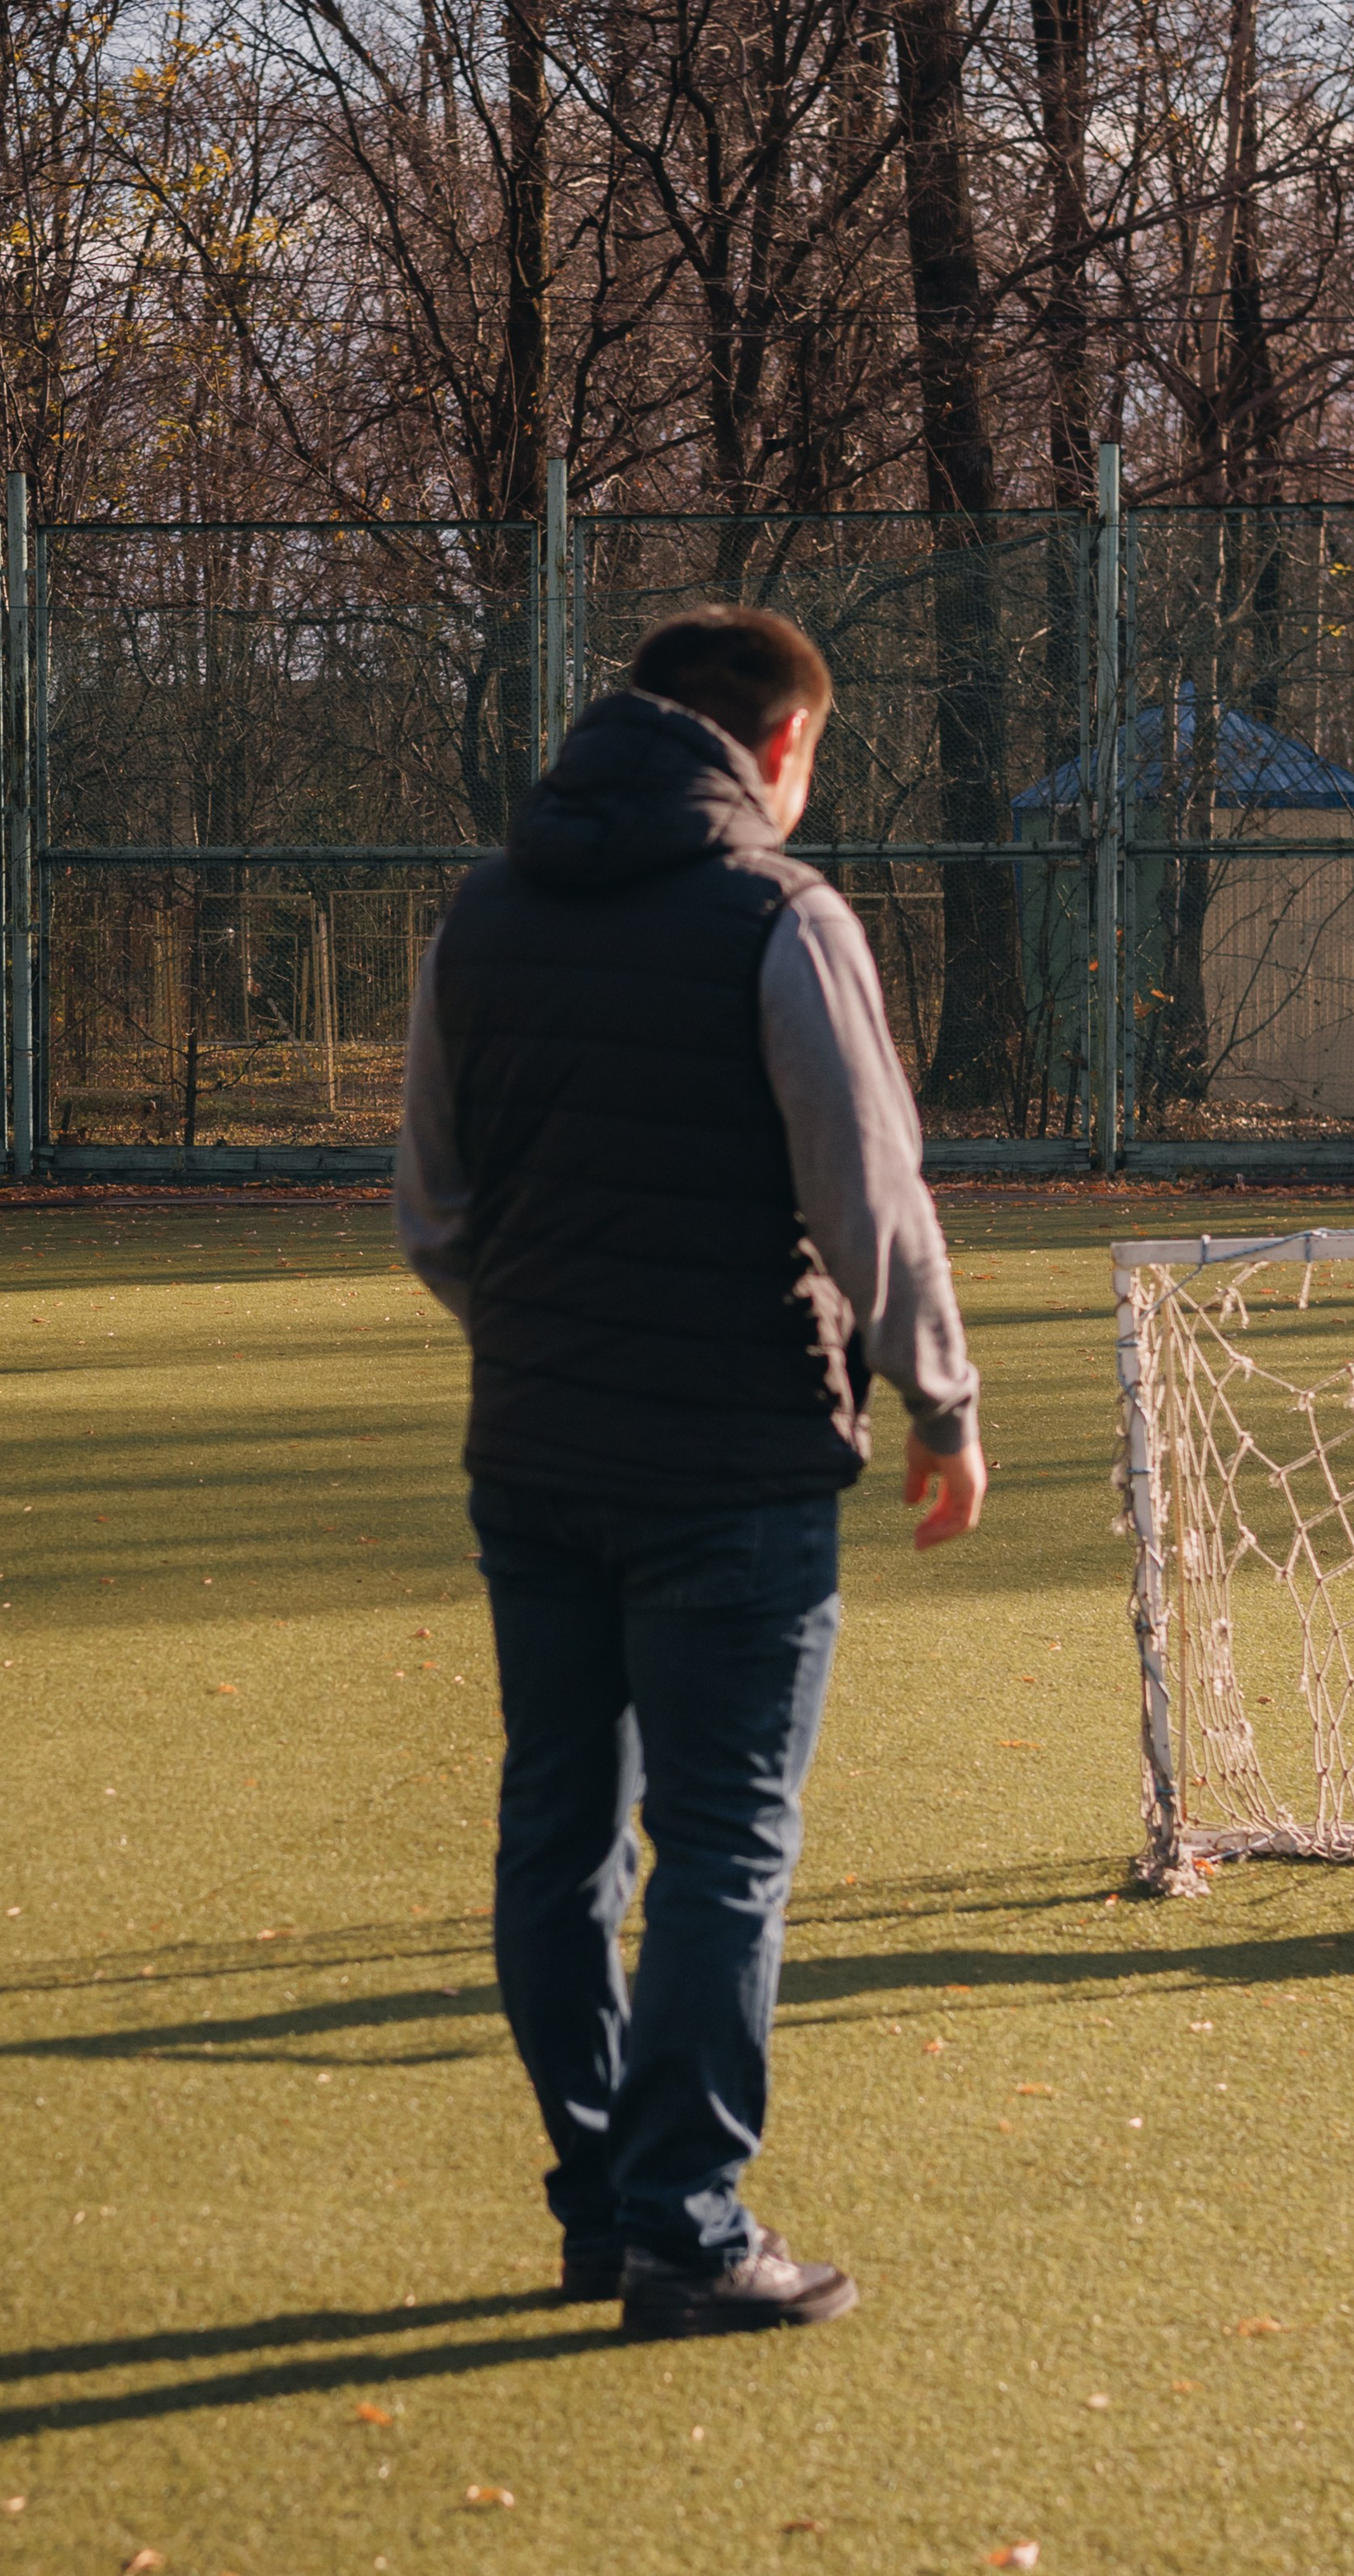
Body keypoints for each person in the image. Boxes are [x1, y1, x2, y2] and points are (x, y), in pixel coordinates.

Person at [394, 604, 984, 2340]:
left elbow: (432, 1211)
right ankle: (686, 2228)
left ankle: (600, 2206)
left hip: (533, 1444)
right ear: (781, 746)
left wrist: (539, 1337)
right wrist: (937, 1404)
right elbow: (863, 1195)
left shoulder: (481, 913)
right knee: (724, 1841)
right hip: (728, 1463)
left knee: (555, 1831)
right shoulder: (778, 916)